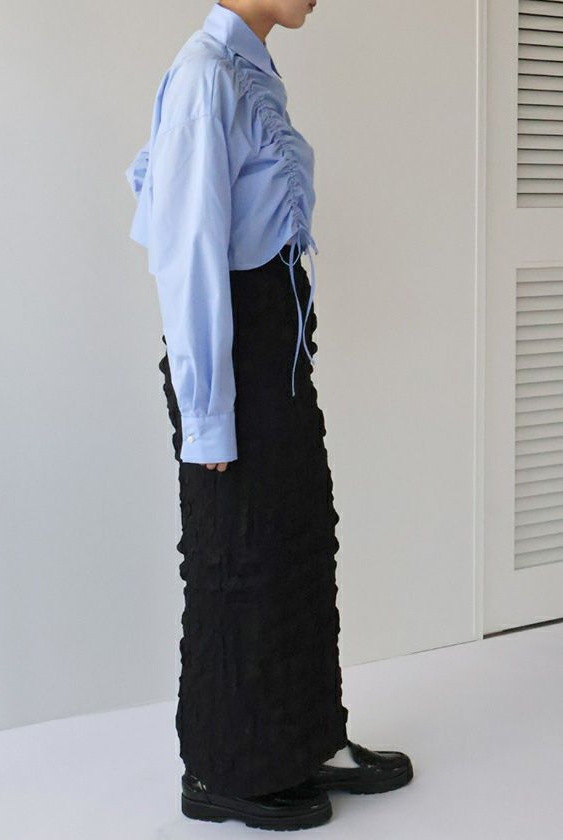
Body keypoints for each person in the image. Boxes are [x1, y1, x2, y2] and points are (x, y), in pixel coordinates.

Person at [125, 0, 413, 830]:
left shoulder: (248, 69)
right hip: (234, 350)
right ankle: (225, 771)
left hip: (276, 343)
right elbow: (186, 252)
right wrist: (207, 414)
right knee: (236, 555)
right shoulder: (205, 76)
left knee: (298, 542)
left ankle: (304, 741)